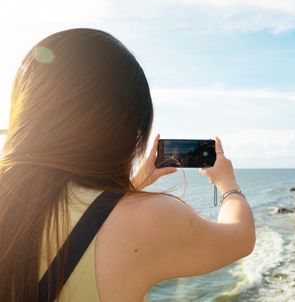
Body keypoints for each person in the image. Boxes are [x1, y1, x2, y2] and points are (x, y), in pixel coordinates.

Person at [0, 28, 256, 302]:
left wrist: (133, 184)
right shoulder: (151, 218)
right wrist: (227, 183)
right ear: (128, 130)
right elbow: (240, 238)